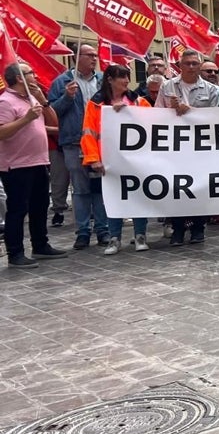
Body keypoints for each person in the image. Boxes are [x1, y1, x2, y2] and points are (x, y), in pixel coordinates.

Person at [81, 65, 152, 255]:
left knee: (138, 195)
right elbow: (88, 133)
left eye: (127, 77)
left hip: (136, 159)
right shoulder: (95, 104)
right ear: (110, 79)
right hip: (109, 160)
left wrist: (129, 112)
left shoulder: (139, 102)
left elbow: (152, 126)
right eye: (122, 77)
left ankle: (140, 235)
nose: (127, 81)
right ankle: (114, 238)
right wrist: (93, 159)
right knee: (112, 198)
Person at [0, 63, 65, 269]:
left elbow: (54, 123)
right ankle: (15, 253)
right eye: (31, 73)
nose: (35, 75)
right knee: (18, 209)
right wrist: (27, 118)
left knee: (40, 206)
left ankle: (40, 245)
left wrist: (44, 102)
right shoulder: (5, 102)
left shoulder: (32, 98)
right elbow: (2, 132)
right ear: (19, 78)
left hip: (39, 161)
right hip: (17, 164)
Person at [156, 48, 219, 245]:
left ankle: (198, 228)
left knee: (200, 189)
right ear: (180, 65)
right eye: (188, 63)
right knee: (177, 188)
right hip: (175, 147)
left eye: (195, 64)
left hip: (201, 146)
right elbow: (156, 114)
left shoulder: (211, 90)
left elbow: (215, 117)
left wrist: (191, 111)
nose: (192, 67)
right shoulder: (167, 87)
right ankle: (177, 229)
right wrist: (170, 110)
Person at [49, 44, 107, 250]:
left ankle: (103, 230)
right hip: (74, 144)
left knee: (100, 188)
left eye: (95, 55)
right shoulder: (62, 82)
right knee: (80, 190)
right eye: (90, 55)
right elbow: (52, 112)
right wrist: (67, 97)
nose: (94, 58)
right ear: (77, 57)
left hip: (100, 144)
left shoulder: (102, 80)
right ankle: (82, 232)